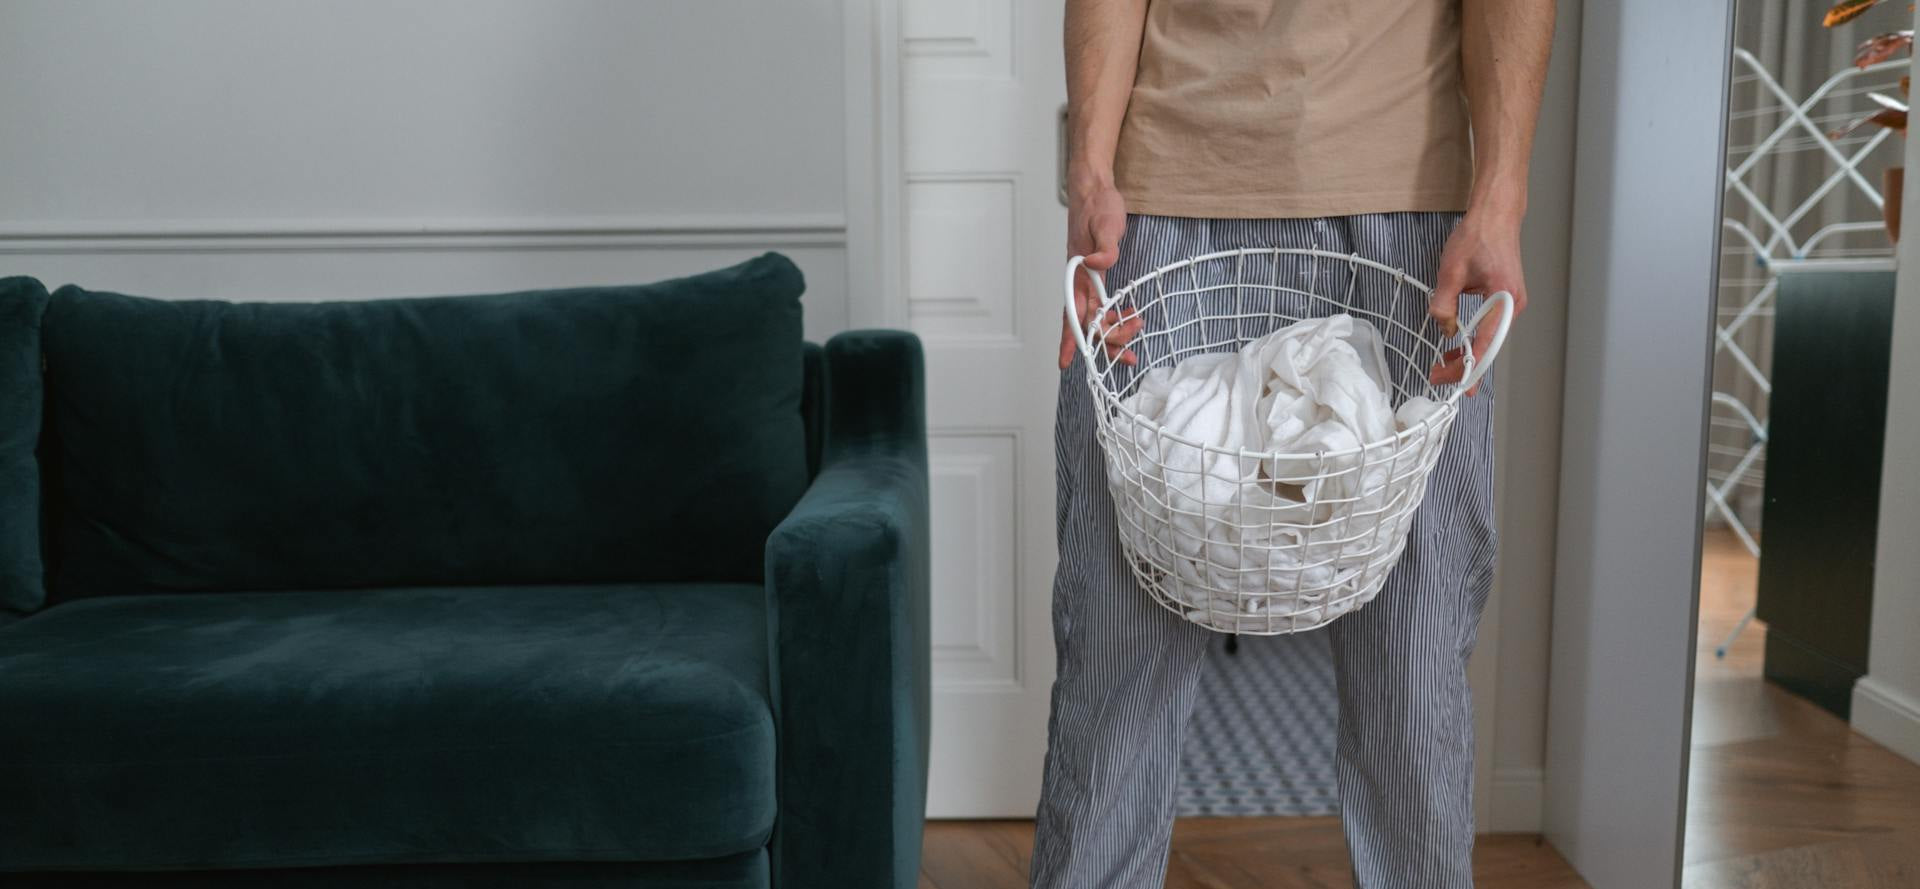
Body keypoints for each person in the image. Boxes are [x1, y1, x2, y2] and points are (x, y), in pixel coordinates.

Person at [1036, 1, 1555, 887]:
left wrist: (1500, 197)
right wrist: (1088, 174)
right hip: (1163, 200)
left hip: (1408, 212)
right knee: (1114, 659)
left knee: (1415, 666)